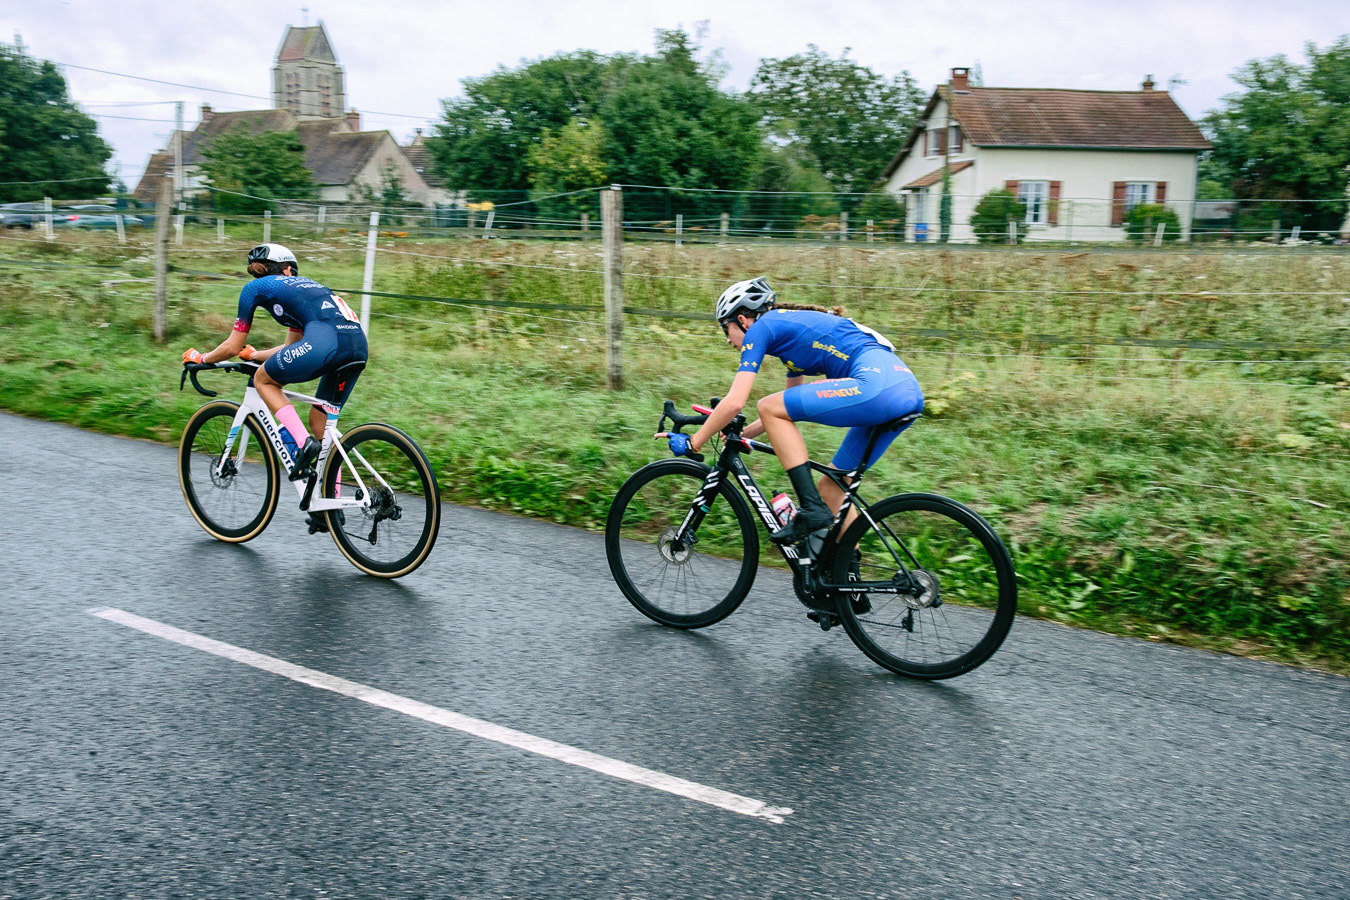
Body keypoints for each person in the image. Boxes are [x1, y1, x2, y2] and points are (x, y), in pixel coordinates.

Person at [667, 277, 923, 548]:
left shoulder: (761, 328)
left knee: (767, 405)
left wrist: (694, 441)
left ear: (742, 320)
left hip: (876, 386)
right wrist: (741, 433)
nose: (728, 341)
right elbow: (786, 409)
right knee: (832, 487)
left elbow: (735, 403)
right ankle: (848, 573)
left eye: (725, 329)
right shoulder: (790, 342)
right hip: (904, 390)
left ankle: (811, 509)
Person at [182, 243, 369, 491]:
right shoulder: (307, 290)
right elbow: (291, 348)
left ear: (287, 271)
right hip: (357, 346)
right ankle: (331, 506)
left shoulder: (254, 288)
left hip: (326, 343)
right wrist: (256, 354)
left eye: (258, 271)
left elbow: (231, 346)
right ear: (289, 270)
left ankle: (302, 445)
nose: (257, 277)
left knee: (263, 380)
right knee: (320, 423)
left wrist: (202, 358)